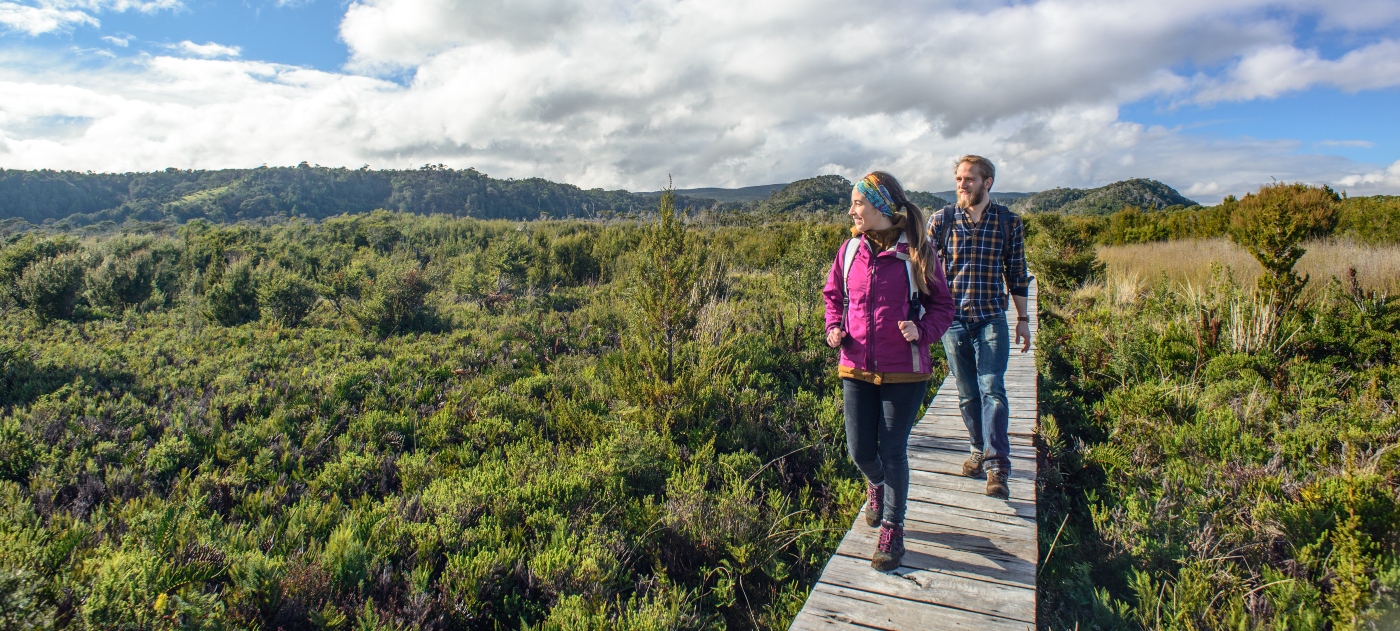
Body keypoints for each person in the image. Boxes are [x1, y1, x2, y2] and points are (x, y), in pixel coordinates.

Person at [823, 172, 955, 572]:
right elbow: (834, 297)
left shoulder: (917, 252)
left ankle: (893, 531)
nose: (851, 210)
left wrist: (923, 331)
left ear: (880, 207)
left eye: (858, 203)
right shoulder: (848, 252)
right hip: (855, 366)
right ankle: (875, 483)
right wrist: (833, 328)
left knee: (893, 451)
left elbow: (942, 307)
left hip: (905, 372)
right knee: (861, 451)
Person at [928, 155, 1032, 500]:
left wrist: (1023, 320)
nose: (961, 185)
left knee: (992, 388)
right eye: (958, 178)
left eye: (969, 179)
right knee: (967, 392)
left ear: (987, 182)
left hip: (991, 317)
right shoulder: (941, 221)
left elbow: (1017, 273)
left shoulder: (1008, 222)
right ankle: (977, 447)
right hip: (952, 320)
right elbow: (923, 271)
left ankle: (997, 466)